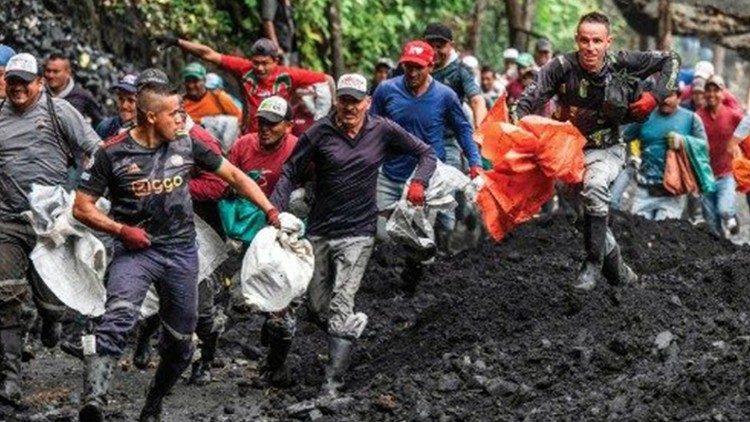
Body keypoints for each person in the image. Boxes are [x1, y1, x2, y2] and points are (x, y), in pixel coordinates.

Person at [73, 82, 280, 422]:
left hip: (182, 253)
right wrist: (123, 230)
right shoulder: (111, 153)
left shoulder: (188, 143)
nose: (183, 118)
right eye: (175, 113)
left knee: (182, 345)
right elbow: (82, 208)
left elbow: (234, 176)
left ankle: (153, 403)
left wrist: (270, 211)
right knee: (117, 319)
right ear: (151, 117)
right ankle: (93, 402)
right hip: (136, 252)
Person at [270, 73, 436, 397]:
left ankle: (332, 385)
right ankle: (345, 334)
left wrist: (420, 182)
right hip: (320, 229)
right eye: (343, 99)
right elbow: (290, 169)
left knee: (341, 304)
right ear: (336, 101)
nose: (349, 106)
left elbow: (426, 153)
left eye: (355, 101)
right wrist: (275, 213)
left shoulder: (382, 129)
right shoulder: (320, 132)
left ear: (367, 103)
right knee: (316, 307)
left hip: (359, 232)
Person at [513, 11, 680, 291]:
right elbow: (527, 100)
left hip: (607, 148)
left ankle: (592, 263)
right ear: (576, 40)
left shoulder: (623, 63)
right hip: (568, 154)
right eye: (585, 41)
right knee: (586, 217)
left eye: (597, 41)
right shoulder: (560, 67)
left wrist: (654, 97)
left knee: (594, 186)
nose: (591, 48)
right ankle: (621, 276)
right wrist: (513, 129)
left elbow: (671, 59)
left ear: (608, 42)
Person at [0, 52, 100, 407]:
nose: (17, 88)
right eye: (12, 81)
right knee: (5, 295)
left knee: (50, 299)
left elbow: (94, 151)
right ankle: (9, 377)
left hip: (50, 223)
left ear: (39, 83)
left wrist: (89, 194)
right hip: (8, 219)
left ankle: (51, 319)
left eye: (24, 82)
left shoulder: (60, 112)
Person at [371, 40, 481, 286]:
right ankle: (404, 260)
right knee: (382, 233)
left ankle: (414, 277)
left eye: (418, 67)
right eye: (408, 66)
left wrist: (474, 161)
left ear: (431, 66)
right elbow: (370, 129)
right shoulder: (385, 90)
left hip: (428, 174)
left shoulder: (445, 96)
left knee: (421, 236)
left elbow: (462, 129)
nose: (412, 72)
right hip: (391, 171)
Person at [154, 35, 330, 134]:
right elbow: (209, 54)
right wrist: (177, 42)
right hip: (250, 135)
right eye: (256, 62)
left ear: (275, 60)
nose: (260, 68)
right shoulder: (244, 69)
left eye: (265, 63)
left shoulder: (289, 75)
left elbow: (327, 79)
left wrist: (334, 107)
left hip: (280, 135)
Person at [623, 88, 707, 220]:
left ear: (679, 98)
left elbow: (704, 148)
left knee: (664, 235)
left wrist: (683, 141)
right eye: (662, 96)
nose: (665, 100)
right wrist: (631, 157)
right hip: (644, 190)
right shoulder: (645, 116)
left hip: (673, 192)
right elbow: (623, 138)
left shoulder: (691, 119)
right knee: (638, 233)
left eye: (670, 96)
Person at [696, 75, 743, 238]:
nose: (711, 94)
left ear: (723, 93)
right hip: (705, 176)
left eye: (716, 90)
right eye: (708, 91)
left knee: (723, 209)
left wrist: (739, 149)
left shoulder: (732, 116)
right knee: (712, 223)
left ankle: (731, 215)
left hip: (727, 173)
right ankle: (723, 253)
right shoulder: (698, 116)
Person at [423, 23, 487, 131]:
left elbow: (477, 100)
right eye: (430, 46)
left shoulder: (461, 70)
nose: (434, 51)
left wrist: (480, 132)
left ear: (451, 46)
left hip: (448, 137)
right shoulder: (415, 67)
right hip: (416, 133)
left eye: (439, 47)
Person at [229, 96, 297, 196]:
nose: (264, 128)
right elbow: (227, 180)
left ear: (288, 126)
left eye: (271, 123)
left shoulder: (297, 149)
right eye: (262, 122)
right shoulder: (242, 144)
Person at [43, 53, 104, 126]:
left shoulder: (82, 97)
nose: (50, 75)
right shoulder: (38, 93)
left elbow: (100, 123)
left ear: (68, 73)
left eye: (56, 71)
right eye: (48, 71)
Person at [95, 73, 138, 139]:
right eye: (121, 99)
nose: (124, 106)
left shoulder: (148, 131)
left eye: (131, 100)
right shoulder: (105, 127)